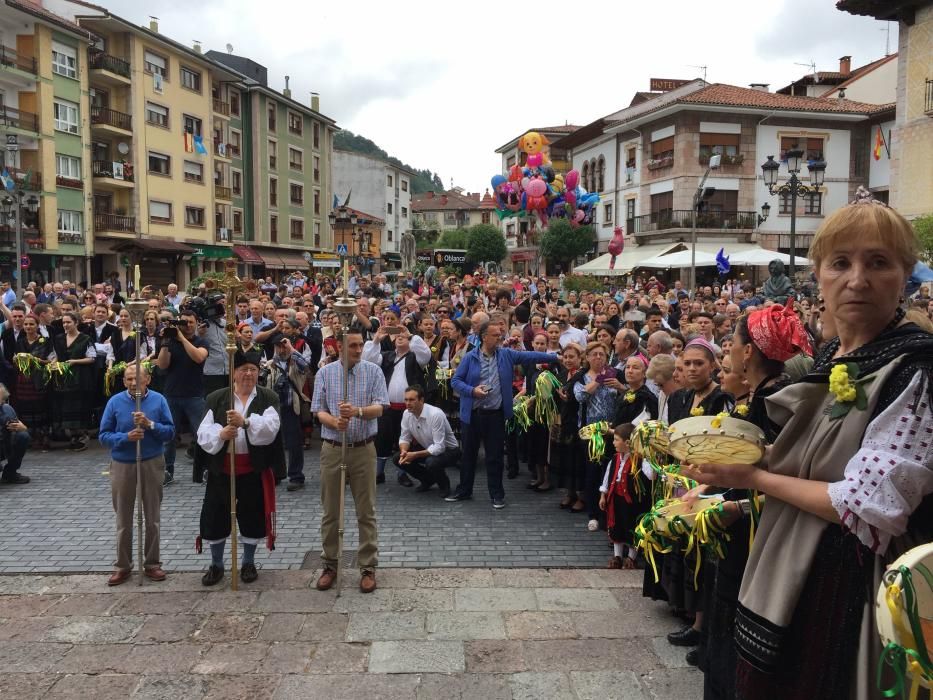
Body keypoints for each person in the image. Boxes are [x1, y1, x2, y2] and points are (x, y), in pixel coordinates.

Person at [684, 191, 933, 699]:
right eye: (840, 262)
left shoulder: (916, 369)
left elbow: (869, 507)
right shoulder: (832, 359)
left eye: (878, 263)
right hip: (785, 570)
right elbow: (806, 466)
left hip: (851, 588)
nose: (857, 279)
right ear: (819, 275)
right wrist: (728, 473)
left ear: (905, 277)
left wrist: (753, 478)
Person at [195, 350, 284, 586]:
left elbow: (271, 428)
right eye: (243, 369)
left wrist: (245, 422)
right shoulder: (217, 397)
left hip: (252, 469)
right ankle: (216, 565)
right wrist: (222, 434)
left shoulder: (268, 397)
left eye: (253, 370)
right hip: (222, 469)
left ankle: (248, 562)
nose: (248, 374)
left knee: (252, 516)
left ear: (258, 373)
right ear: (233, 373)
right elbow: (203, 432)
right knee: (215, 517)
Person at [310, 330, 388, 593]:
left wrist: (357, 412)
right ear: (339, 348)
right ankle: (330, 563)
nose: (357, 349)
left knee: (366, 511)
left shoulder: (373, 371)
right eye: (352, 345)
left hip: (363, 449)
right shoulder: (325, 373)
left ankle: (368, 566)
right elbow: (318, 410)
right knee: (331, 511)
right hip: (333, 448)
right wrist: (334, 421)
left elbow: (381, 406)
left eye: (360, 345)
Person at [447, 321, 554, 508]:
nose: (500, 338)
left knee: (495, 456)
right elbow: (455, 381)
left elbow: (529, 356)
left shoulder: (505, 355)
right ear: (484, 337)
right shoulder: (470, 357)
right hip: (472, 415)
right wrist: (473, 391)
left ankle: (496, 494)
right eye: (496, 335)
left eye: (500, 335)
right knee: (468, 455)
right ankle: (464, 490)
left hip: (495, 415)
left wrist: (555, 357)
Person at [98, 363, 175, 586]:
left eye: (138, 379)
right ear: (124, 382)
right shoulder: (115, 402)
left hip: (151, 461)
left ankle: (152, 563)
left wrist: (150, 424)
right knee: (123, 517)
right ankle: (123, 566)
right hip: (123, 463)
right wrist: (124, 437)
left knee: (152, 517)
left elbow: (170, 433)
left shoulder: (159, 400)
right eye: (129, 379)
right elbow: (103, 435)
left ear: (147, 380)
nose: (134, 383)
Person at [362, 325, 431, 486]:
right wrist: (377, 339)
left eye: (403, 336)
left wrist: (410, 334)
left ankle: (403, 473)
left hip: (409, 409)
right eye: (397, 335)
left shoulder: (416, 357)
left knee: (405, 440)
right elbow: (368, 360)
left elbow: (426, 355)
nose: (400, 336)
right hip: (387, 407)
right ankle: (378, 473)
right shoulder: (387, 356)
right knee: (382, 439)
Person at [573, 341, 623, 530]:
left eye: (602, 354)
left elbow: (627, 396)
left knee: (610, 473)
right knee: (592, 472)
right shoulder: (581, 377)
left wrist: (619, 386)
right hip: (591, 433)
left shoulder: (615, 375)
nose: (598, 357)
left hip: (612, 432)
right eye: (594, 354)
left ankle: (608, 515)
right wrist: (599, 380)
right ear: (587, 357)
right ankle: (593, 513)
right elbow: (581, 396)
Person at [156, 309, 209, 485]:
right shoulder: (170, 342)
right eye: (183, 322)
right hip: (171, 394)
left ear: (196, 323)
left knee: (201, 434)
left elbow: (199, 358)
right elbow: (162, 365)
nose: (186, 326)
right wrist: (165, 342)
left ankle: (205, 469)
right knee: (168, 436)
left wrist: (182, 339)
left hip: (194, 395)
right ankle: (167, 470)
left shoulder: (201, 341)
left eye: (190, 323)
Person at [264, 334, 311, 491]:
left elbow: (306, 366)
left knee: (294, 443)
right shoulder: (270, 364)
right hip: (273, 408)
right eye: (279, 346)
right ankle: (276, 473)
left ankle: (296, 476)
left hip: (291, 407)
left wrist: (292, 349)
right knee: (273, 442)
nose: (281, 348)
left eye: (283, 345)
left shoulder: (294, 361)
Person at [396, 384, 458, 496]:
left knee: (432, 462)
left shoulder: (435, 414)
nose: (407, 403)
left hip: (450, 450)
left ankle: (444, 485)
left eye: (411, 400)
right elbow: (405, 437)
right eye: (406, 400)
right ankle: (427, 480)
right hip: (428, 447)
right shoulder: (406, 414)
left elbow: (439, 447)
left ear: (421, 400)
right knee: (398, 458)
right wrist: (404, 451)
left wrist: (415, 454)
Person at [599, 423, 646, 569]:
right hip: (615, 498)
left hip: (632, 502)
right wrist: (603, 495)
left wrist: (649, 454)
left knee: (632, 527)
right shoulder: (615, 458)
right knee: (615, 525)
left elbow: (651, 475)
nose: (613, 443)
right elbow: (607, 476)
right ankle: (617, 556)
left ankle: (631, 558)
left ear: (627, 443)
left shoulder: (640, 459)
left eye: (616, 439)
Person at [50, 312, 96, 451]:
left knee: (79, 407)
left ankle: (82, 436)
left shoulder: (85, 338)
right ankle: (72, 436)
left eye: (68, 322)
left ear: (76, 323)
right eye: (64, 322)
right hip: (63, 379)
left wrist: (75, 361)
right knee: (66, 407)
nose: (65, 325)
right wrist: (53, 364)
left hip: (80, 378)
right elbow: (55, 355)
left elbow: (92, 357)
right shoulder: (58, 339)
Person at [0, 383, 31, 484]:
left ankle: (10, 473)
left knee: (23, 436)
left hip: (4, 446)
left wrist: (23, 428)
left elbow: (20, 427)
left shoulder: (7, 409)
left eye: (3, 400)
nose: (3, 402)